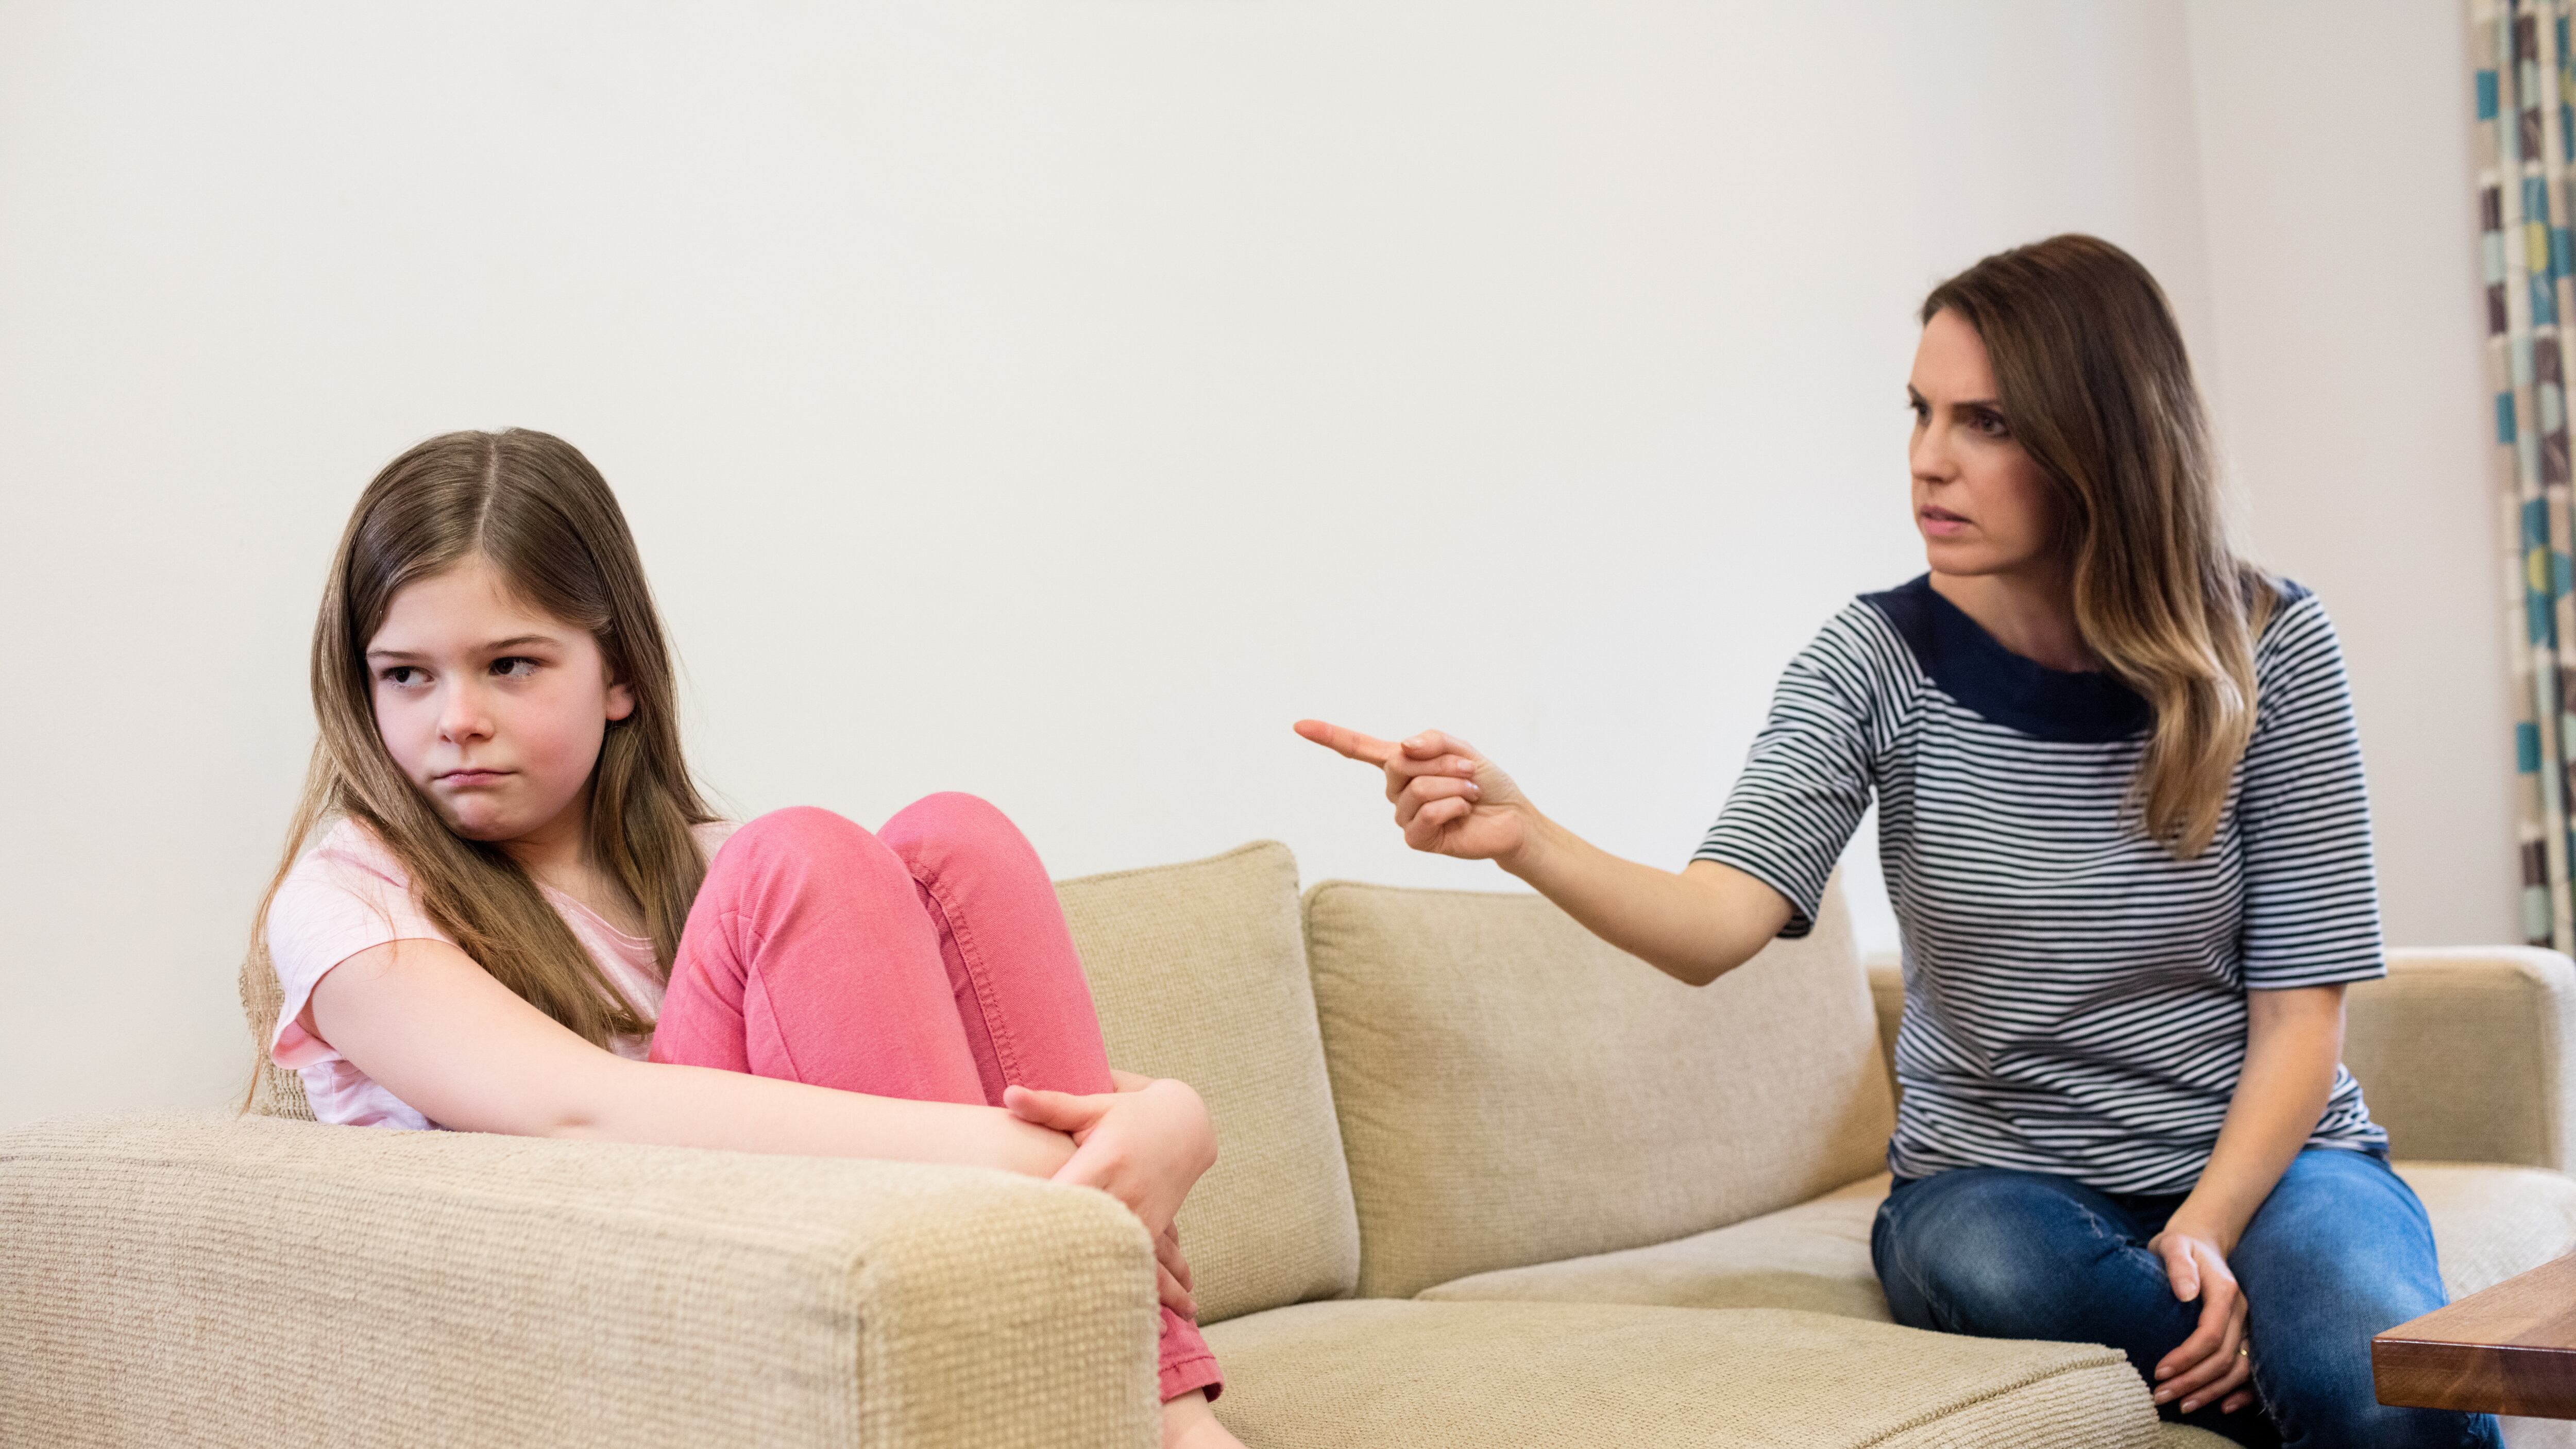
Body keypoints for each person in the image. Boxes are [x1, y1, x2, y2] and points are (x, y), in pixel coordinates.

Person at [1299, 234, 2498, 1448]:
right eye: (1920, 411)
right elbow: (1715, 924)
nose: (1929, 459)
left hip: (2270, 1156)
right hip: (1995, 1182)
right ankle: (2245, 1367)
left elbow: (2302, 1014)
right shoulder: (1871, 662)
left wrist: (2202, 1227)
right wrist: (1524, 834)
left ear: (2103, 440)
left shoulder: (2270, 642)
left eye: (1984, 421)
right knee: (2002, 1268)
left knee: (2370, 1369)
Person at [252, 429, 1240, 1449]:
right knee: (801, 854)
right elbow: (578, 1112)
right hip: (582, 1323)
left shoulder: (706, 869)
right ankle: (1135, 1411)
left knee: (955, 840)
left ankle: (1159, 1415)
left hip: (771, 1263)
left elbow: (988, 1067)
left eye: (509, 665)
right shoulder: (349, 898)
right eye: (407, 676)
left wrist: (1172, 1116)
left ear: (620, 674)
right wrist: (1069, 1191)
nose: (456, 717)